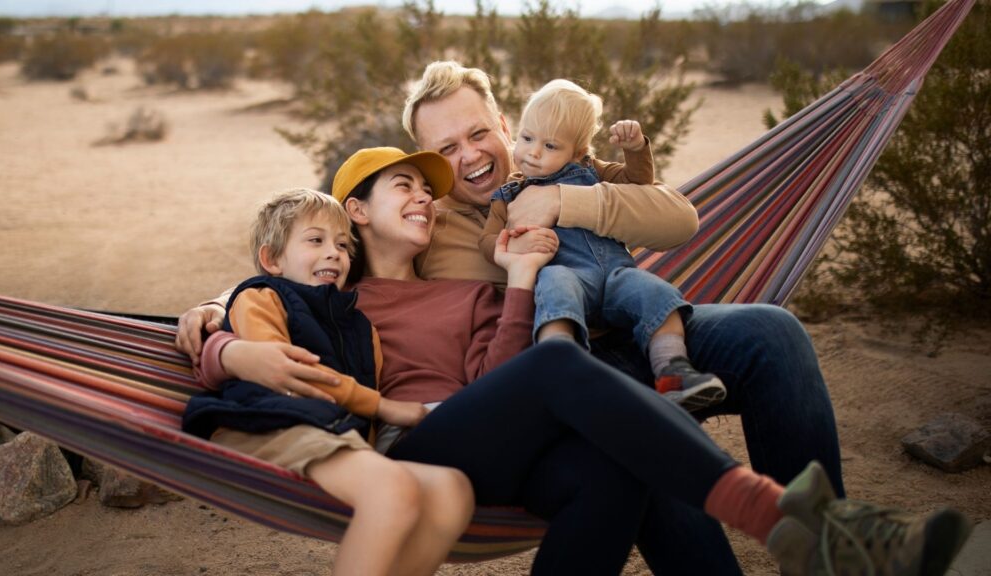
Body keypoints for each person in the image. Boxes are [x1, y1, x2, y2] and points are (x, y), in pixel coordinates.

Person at [197, 148, 972, 576]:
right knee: (558, 365)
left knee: (612, 470)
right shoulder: (331, 292)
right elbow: (254, 299)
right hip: (413, 448)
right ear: (355, 212)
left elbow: (499, 377)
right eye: (405, 187)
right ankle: (790, 518)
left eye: (428, 193)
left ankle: (813, 532)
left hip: (492, 438)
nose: (425, 200)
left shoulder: (470, 289)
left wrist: (520, 281)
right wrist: (216, 330)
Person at [181, 188, 474, 576]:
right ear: (272, 259)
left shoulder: (358, 325)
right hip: (268, 423)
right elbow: (288, 372)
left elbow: (365, 392)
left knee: (452, 489)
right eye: (315, 241)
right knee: (390, 489)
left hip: (331, 433)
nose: (334, 253)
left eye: (342, 245)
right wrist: (383, 407)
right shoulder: (261, 297)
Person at [478, 78, 725, 411]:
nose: (533, 152)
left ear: (578, 152)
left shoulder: (592, 169)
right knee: (553, 284)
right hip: (570, 276)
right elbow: (488, 239)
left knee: (655, 291)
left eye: (550, 146)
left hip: (616, 276)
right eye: (526, 138)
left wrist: (635, 149)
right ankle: (558, 365)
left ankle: (673, 370)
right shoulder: (509, 192)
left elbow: (638, 182)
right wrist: (512, 247)